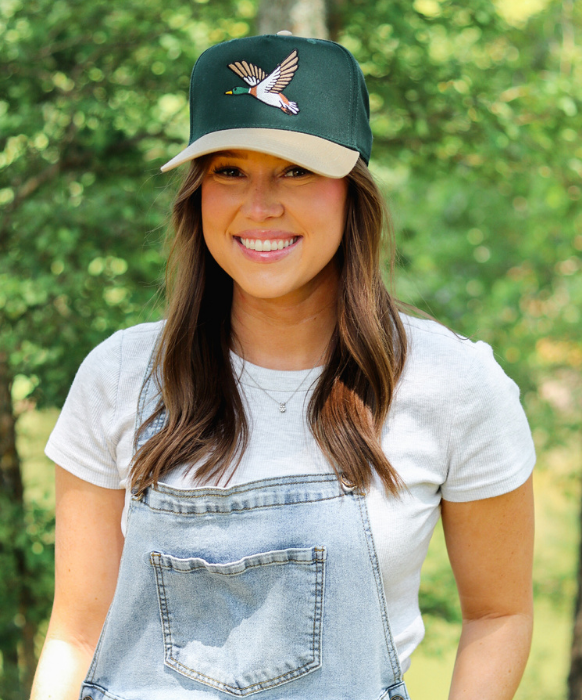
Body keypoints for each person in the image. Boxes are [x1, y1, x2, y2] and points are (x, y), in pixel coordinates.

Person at [30, 32, 535, 700]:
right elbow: (76, 636)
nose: (260, 205)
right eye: (229, 171)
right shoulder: (119, 376)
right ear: (197, 194)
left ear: (352, 191)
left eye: (296, 170)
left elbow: (499, 616)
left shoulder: (451, 384)